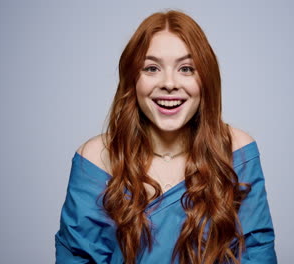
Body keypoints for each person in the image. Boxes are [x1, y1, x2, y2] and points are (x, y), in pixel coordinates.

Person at [54, 10, 277, 264]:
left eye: (186, 68)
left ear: (205, 79)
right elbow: (77, 257)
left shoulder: (237, 151)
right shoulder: (95, 159)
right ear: (132, 80)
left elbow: (257, 254)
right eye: (151, 68)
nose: (169, 83)